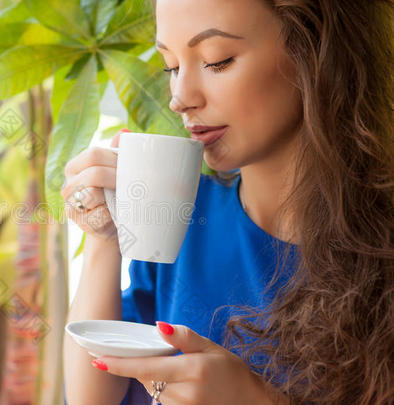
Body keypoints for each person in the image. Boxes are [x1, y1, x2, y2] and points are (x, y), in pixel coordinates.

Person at [62, 0, 393, 404]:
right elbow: (93, 397)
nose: (179, 97)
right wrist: (103, 241)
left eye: (217, 60)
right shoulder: (180, 212)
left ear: (314, 49)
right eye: (171, 66)